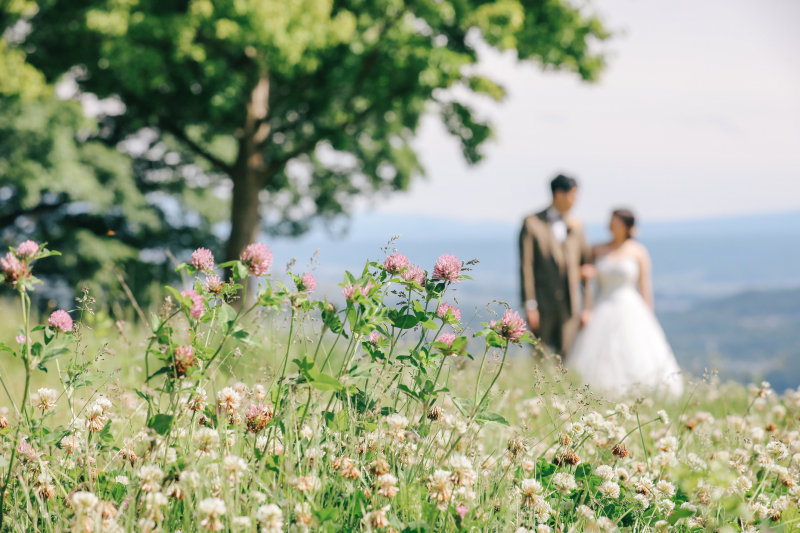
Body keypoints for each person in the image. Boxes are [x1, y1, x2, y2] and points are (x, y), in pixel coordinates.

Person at [567, 209, 683, 397]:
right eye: (611, 221)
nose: (611, 225)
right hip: (602, 304)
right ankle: (597, 390)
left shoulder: (638, 251)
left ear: (627, 226)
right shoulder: (597, 249)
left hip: (630, 305)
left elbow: (644, 286)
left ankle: (638, 391)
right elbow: (587, 281)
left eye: (616, 222)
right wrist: (586, 303)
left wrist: (649, 316)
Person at [519, 175, 592, 356]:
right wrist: (530, 305)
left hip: (571, 306)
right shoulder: (531, 223)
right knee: (539, 357)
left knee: (567, 358)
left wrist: (587, 307)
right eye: (573, 195)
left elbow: (586, 267)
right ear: (559, 194)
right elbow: (526, 267)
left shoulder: (577, 225)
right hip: (542, 304)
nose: (576, 201)